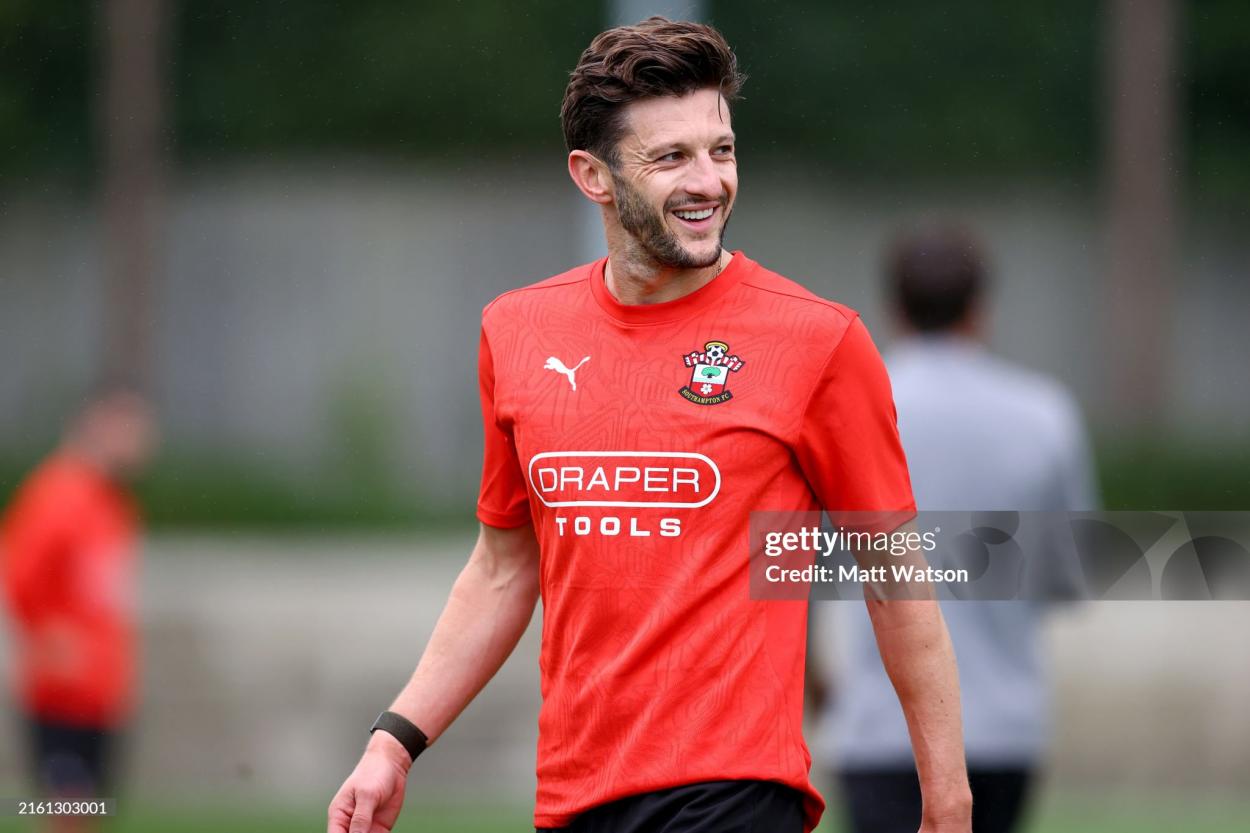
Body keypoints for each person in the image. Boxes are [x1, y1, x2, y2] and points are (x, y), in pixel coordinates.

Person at [328, 18, 972, 833]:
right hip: (573, 799)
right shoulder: (516, 332)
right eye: (671, 158)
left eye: (722, 150)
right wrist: (394, 741)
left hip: (735, 792)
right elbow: (501, 568)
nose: (709, 181)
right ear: (592, 176)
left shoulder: (819, 340)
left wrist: (947, 796)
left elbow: (895, 578)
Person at [813, 224, 1098, 833]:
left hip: (881, 723)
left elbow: (804, 570)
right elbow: (1067, 576)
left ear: (893, 308)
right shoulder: (1045, 416)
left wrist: (814, 680)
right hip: (1004, 727)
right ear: (980, 309)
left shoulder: (849, 404)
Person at [1, 382, 157, 830]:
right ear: (101, 425)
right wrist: (48, 640)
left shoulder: (110, 502)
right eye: (133, 428)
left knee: (91, 814)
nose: (144, 443)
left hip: (102, 694)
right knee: (67, 814)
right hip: (63, 696)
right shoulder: (57, 494)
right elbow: (17, 577)